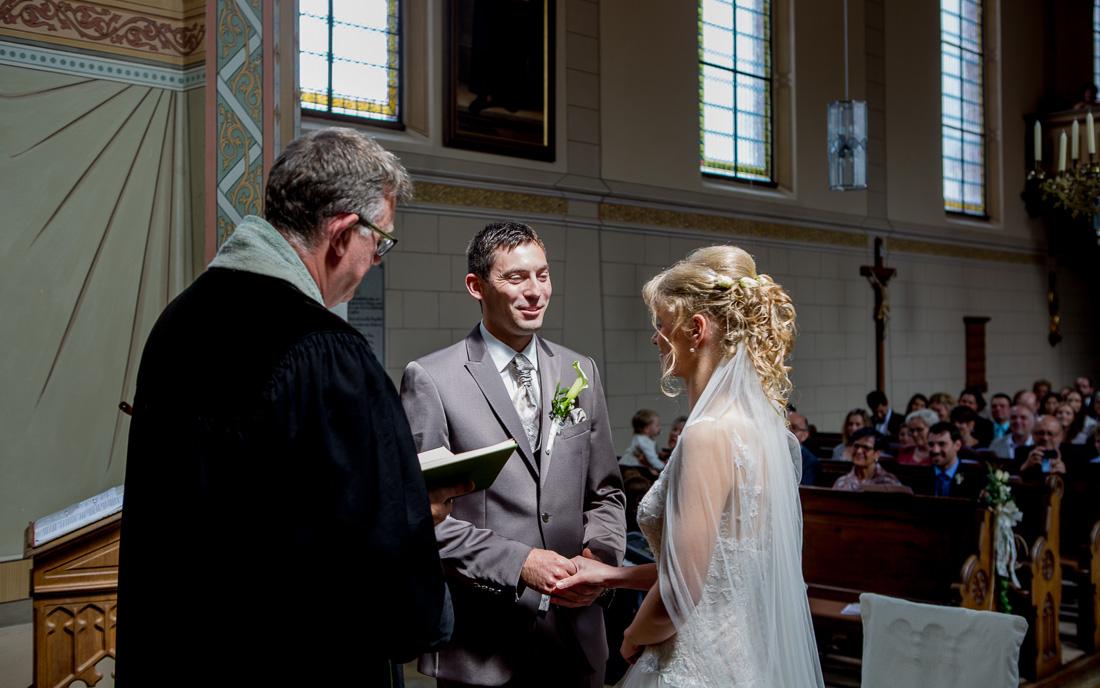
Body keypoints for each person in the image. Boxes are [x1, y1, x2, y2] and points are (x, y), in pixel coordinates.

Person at [115, 128, 467, 686]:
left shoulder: (177, 323)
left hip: (180, 652)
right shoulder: (327, 350)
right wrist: (410, 512)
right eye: (381, 242)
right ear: (343, 233)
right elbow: (390, 594)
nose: (377, 259)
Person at [554, 246, 824, 687]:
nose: (656, 338)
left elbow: (679, 594)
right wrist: (612, 574)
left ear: (696, 329)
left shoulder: (706, 434)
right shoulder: (761, 429)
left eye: (661, 324)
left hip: (698, 660)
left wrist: (632, 635)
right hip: (744, 652)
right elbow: (719, 568)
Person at [400, 222, 626, 688]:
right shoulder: (433, 379)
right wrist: (519, 561)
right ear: (476, 286)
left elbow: (606, 492)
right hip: (483, 644)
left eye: (542, 276)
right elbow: (420, 519)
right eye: (517, 278)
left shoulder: (580, 370)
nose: (535, 292)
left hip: (576, 639)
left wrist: (596, 561)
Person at [832, 428, 902, 491]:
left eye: (866, 448)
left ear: (876, 454)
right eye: (856, 446)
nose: (859, 451)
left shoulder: (889, 483)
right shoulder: (841, 483)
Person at [927, 422, 983, 499]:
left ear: (957, 445)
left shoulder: (975, 477)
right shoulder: (920, 477)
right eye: (931, 444)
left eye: (942, 444)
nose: (935, 450)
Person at [621, 409, 665, 477]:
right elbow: (652, 458)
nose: (660, 428)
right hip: (630, 467)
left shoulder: (642, 439)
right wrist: (664, 467)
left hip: (631, 466)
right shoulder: (643, 441)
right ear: (646, 429)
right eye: (657, 425)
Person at [789, 409, 820, 486]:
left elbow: (804, 492)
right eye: (785, 426)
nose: (788, 431)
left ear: (804, 435)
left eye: (793, 427)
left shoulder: (811, 462)